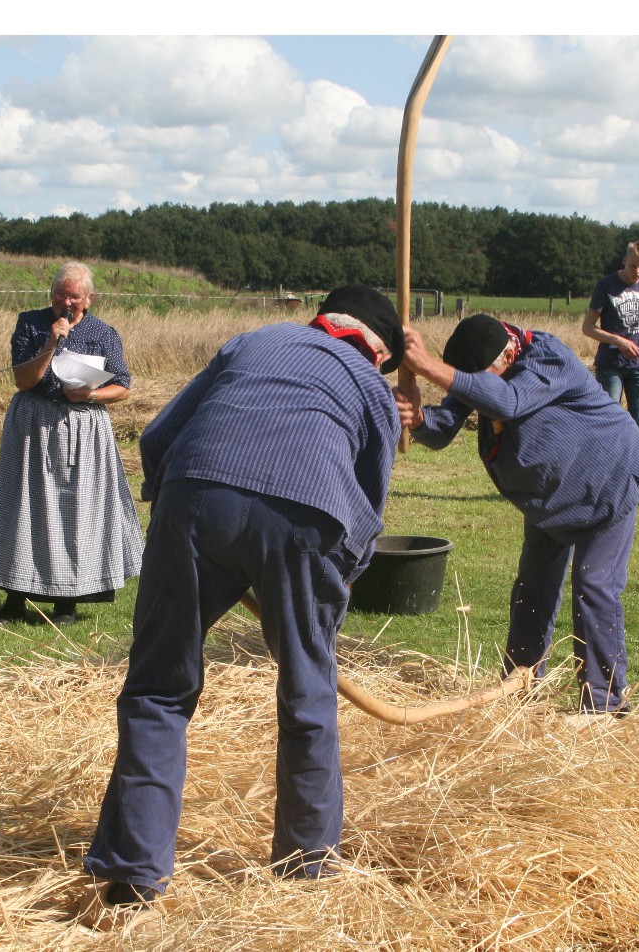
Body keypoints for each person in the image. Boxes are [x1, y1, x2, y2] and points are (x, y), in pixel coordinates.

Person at [80, 285, 405, 930]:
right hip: (307, 520)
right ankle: (306, 865)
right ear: (375, 348)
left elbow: (160, 435)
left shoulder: (255, 341)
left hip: (193, 496)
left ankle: (133, 875)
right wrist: (330, 588)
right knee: (308, 690)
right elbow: (367, 507)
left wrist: (175, 512)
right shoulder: (371, 390)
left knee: (157, 689)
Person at [397, 314, 639, 722]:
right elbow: (445, 426)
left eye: (483, 376)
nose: (478, 386)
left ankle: (605, 704)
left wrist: (428, 366)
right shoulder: (489, 367)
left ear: (507, 354)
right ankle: (518, 685)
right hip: (551, 499)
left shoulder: (547, 356)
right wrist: (419, 419)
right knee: (533, 586)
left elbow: (506, 401)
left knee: (594, 583)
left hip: (607, 480)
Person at [0, 262, 143, 626]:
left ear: (88, 299)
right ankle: (14, 597)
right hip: (33, 423)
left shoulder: (103, 332)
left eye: (74, 296)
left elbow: (125, 386)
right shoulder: (31, 323)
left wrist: (92, 394)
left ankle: (68, 600)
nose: (66, 302)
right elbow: (23, 380)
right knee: (24, 506)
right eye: (60, 294)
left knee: (76, 512)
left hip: (84, 427)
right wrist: (53, 341)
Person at [581, 239, 639, 507]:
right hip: (611, 367)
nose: (637, 272)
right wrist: (617, 340)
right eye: (633, 266)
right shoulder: (606, 285)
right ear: (624, 261)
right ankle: (605, 485)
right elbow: (588, 327)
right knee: (608, 425)